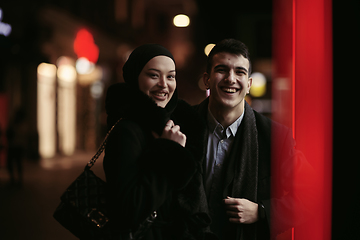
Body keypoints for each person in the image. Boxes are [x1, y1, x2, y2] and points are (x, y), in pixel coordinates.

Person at [195, 39, 309, 239]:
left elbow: (311, 196)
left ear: (248, 84)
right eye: (222, 70)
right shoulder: (182, 125)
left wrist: (261, 211)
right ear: (207, 79)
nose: (231, 79)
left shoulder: (274, 137)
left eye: (239, 72)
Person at [103, 44, 215, 240]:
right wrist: (169, 151)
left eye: (170, 76)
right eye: (154, 75)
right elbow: (128, 210)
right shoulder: (127, 131)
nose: (164, 84)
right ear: (135, 77)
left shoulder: (182, 126)